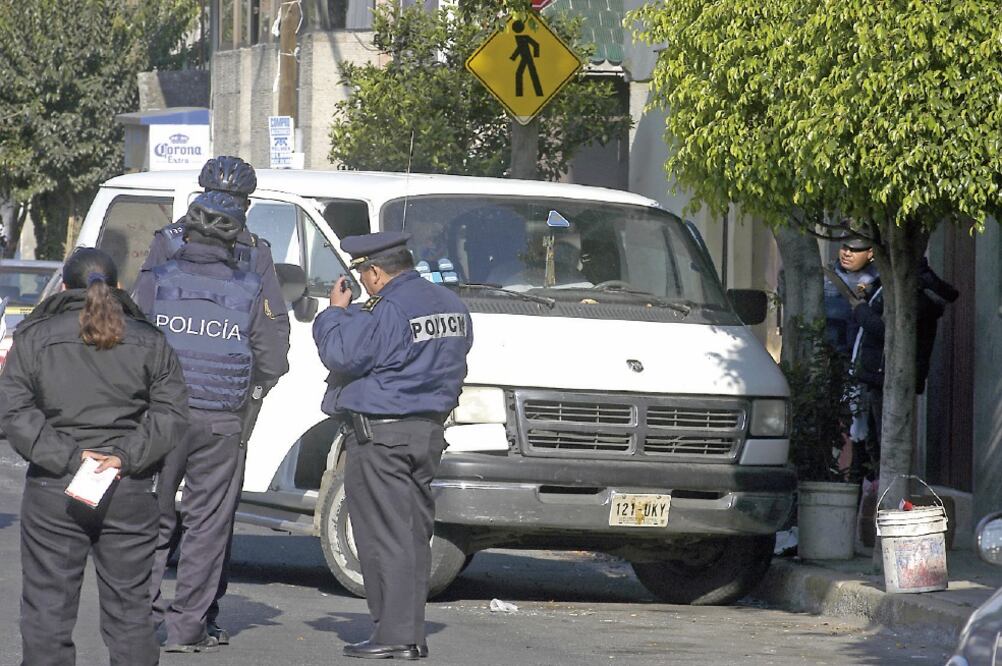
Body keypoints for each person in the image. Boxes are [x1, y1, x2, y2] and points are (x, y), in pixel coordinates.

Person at [0, 248, 188, 666]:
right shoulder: (149, 339)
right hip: (129, 488)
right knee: (130, 614)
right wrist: (123, 456)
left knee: (48, 612)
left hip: (55, 486)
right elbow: (172, 413)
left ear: (64, 286)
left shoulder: (35, 337)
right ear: (118, 287)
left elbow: (13, 411)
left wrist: (69, 457)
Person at [136, 155, 291, 645]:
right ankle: (189, 625)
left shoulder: (167, 250)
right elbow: (273, 342)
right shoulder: (252, 255)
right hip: (224, 411)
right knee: (209, 524)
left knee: (154, 518)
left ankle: (142, 620)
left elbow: (139, 329)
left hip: (164, 413)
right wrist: (253, 393)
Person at [313, 231, 473, 660]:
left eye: (365, 275)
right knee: (412, 535)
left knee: (383, 537)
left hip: (382, 437)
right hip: (426, 434)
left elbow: (343, 354)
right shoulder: (452, 306)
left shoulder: (390, 308)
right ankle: (406, 632)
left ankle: (395, 636)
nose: (364, 283)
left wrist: (334, 314)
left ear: (377, 272)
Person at [823, 234, 879, 356]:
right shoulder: (827, 275)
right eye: (844, 247)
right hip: (827, 352)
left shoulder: (878, 282)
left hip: (858, 353)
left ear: (870, 253)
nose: (847, 253)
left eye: (855, 250)